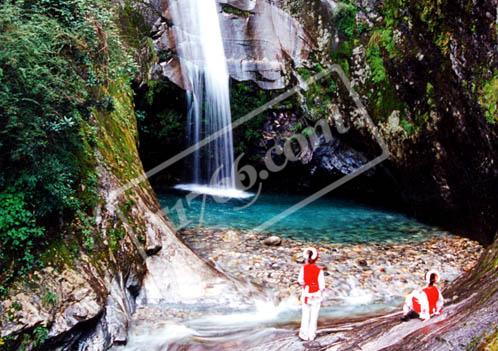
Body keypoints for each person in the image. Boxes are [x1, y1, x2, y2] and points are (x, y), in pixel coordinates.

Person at [298, 247, 325, 341]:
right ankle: (311, 335)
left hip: (306, 293)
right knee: (314, 315)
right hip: (316, 294)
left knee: (305, 314)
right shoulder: (319, 270)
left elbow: (300, 281)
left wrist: (306, 284)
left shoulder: (303, 269)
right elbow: (322, 286)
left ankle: (303, 335)